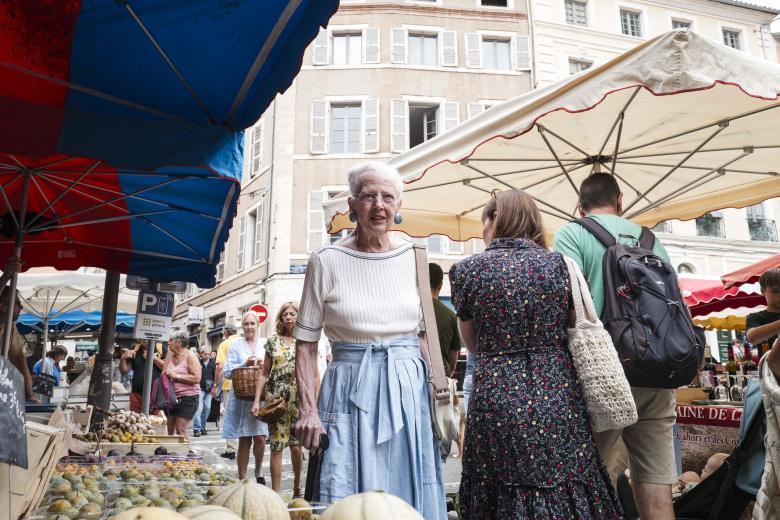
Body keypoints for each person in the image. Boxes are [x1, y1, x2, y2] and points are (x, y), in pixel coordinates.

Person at [450, 189, 622, 519]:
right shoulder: (561, 266)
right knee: (566, 482)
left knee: (499, 483)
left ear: (492, 220)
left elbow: (471, 344)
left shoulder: (467, 272)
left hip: (496, 396)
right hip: (559, 394)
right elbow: (578, 324)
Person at [294, 161, 446, 518]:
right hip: (348, 385)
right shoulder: (326, 260)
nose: (379, 205)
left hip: (408, 388)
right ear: (352, 205)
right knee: (344, 487)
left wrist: (439, 395)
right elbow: (306, 342)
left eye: (387, 197)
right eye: (368, 196)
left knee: (409, 485)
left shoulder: (414, 256)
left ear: (398, 207)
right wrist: (307, 409)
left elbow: (422, 334)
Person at [554, 173, 675, 520]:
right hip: (657, 370)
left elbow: (568, 301)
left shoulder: (572, 233)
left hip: (602, 377)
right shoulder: (650, 238)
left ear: (580, 205)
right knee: (656, 480)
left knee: (591, 481)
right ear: (620, 199)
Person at [252, 302, 303, 495]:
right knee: (277, 446)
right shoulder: (273, 342)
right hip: (276, 400)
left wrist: (312, 401)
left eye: (292, 313)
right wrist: (257, 400)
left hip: (298, 399)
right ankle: (275, 494)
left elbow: (312, 372)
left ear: (299, 316)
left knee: (297, 447)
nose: (288, 317)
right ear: (281, 319)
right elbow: (264, 373)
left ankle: (298, 489)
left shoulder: (304, 341)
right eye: (285, 315)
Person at [223, 311, 269, 482]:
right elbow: (227, 372)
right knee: (244, 439)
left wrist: (265, 364)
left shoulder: (266, 344)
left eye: (252, 323)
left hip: (261, 396)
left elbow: (274, 367)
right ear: (242, 327)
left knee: (260, 438)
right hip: (241, 397)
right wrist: (245, 363)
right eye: (246, 324)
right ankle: (242, 478)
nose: (249, 327)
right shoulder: (235, 345)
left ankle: (258, 471)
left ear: (258, 325)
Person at [429, 262, 461, 463]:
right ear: (440, 285)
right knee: (441, 436)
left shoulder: (412, 311)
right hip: (441, 382)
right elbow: (454, 355)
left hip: (414, 379)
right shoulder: (449, 315)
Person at [162, 331, 201, 440]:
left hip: (188, 397)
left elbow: (197, 378)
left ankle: (185, 456)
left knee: (181, 430)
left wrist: (176, 376)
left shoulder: (191, 356)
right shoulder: (169, 354)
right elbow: (164, 373)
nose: (168, 343)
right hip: (171, 397)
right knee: (170, 431)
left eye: (170, 340)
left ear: (178, 343)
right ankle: (172, 454)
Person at [213, 323, 241, 459]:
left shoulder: (224, 344)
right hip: (245, 384)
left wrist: (215, 385)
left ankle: (231, 449)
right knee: (243, 416)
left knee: (230, 416)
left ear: (225, 333)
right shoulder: (243, 341)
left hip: (229, 384)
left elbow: (220, 367)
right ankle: (244, 446)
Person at [747, 268, 780, 377]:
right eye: (775, 291)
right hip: (770, 376)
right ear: (762, 290)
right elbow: (752, 337)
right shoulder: (756, 317)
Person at [119, 342, 166, 413]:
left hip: (155, 395)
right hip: (136, 394)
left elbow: (167, 368)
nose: (143, 341)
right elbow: (124, 371)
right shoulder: (135, 349)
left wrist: (154, 358)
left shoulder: (161, 348)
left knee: (154, 421)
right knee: (135, 420)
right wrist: (123, 358)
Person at [193, 345, 215, 437]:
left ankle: (203, 427)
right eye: (205, 354)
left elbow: (215, 375)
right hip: (200, 387)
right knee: (198, 409)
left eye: (208, 354)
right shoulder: (198, 362)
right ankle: (197, 428)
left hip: (209, 389)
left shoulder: (212, 362)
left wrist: (214, 387)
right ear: (201, 354)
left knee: (207, 408)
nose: (207, 356)